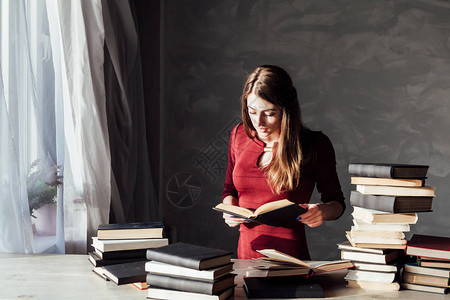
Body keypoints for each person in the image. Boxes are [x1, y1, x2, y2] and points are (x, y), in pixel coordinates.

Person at [221, 65, 346, 260]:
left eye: (269, 114)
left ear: (286, 110)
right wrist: (229, 209)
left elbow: (337, 204)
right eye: (252, 111)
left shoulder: (315, 145)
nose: (259, 122)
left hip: (290, 260)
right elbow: (229, 190)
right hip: (245, 258)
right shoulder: (239, 135)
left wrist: (320, 211)